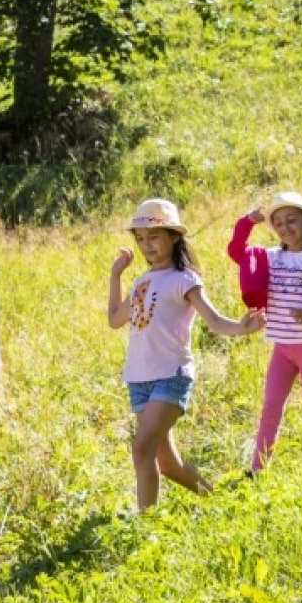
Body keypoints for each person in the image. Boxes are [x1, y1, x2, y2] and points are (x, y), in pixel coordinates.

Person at [108, 198, 265, 510]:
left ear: (174, 236)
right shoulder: (142, 280)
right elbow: (115, 319)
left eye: (153, 237)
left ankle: (146, 527)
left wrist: (241, 327)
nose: (146, 245)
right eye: (140, 239)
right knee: (167, 464)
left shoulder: (185, 279)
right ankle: (223, 503)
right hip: (138, 379)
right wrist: (116, 275)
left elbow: (215, 320)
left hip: (171, 375)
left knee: (142, 449)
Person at [227, 192, 302, 474]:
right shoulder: (269, 258)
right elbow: (236, 251)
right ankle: (258, 471)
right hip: (282, 348)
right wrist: (248, 221)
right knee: (270, 409)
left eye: (292, 220)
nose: (285, 227)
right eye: (278, 223)